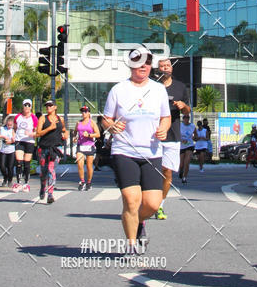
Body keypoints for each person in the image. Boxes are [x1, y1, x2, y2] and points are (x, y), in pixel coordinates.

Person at [102, 47, 171, 252]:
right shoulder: (118, 90)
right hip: (125, 151)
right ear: (131, 64)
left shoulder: (158, 90)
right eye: (139, 61)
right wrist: (111, 126)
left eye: (147, 62)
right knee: (131, 200)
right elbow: (106, 119)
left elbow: (165, 117)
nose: (143, 65)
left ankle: (138, 221)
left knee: (152, 204)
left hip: (151, 152)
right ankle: (131, 244)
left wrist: (164, 129)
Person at [155, 57, 190, 218]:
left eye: (167, 66)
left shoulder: (181, 87)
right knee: (151, 170)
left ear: (172, 69)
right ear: (158, 69)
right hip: (153, 136)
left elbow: (188, 111)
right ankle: (148, 201)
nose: (165, 68)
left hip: (173, 135)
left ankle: (160, 205)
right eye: (162, 66)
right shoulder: (152, 87)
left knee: (167, 171)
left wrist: (183, 107)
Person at [36, 100, 68, 204]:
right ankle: (42, 187)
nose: (48, 107)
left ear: (55, 107)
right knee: (44, 172)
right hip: (44, 148)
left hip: (55, 148)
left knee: (51, 169)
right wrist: (50, 128)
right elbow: (38, 133)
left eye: (50, 105)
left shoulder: (60, 119)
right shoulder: (42, 118)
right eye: (47, 106)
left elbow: (64, 129)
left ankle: (50, 194)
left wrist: (65, 134)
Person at [13, 98, 38, 192]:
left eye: (29, 105)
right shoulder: (18, 117)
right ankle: (18, 183)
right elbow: (14, 128)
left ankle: (26, 183)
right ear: (22, 106)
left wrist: (31, 134)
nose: (27, 107)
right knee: (19, 161)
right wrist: (14, 136)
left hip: (29, 141)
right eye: (25, 105)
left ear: (31, 107)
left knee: (26, 163)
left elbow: (37, 132)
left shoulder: (34, 118)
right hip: (19, 140)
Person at [74, 105, 100, 190]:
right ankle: (82, 181)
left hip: (89, 146)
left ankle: (89, 182)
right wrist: (75, 137)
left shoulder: (92, 123)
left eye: (85, 111)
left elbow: (98, 134)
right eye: (82, 111)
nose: (83, 113)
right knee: (80, 164)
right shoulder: (78, 123)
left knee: (89, 166)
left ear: (89, 113)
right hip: (80, 146)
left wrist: (89, 135)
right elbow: (75, 132)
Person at [0, 114, 16, 187]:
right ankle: (5, 177)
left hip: (11, 150)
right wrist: (3, 137)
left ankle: (10, 180)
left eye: (11, 125)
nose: (9, 126)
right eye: (8, 125)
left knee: (10, 167)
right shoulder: (2, 129)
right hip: (3, 150)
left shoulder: (13, 130)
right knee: (2, 166)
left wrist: (11, 141)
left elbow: (14, 139)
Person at [179, 113, 195, 184]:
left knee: (187, 162)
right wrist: (181, 140)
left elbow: (196, 135)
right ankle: (181, 170)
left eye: (188, 117)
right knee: (181, 164)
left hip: (189, 145)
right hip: (181, 146)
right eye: (185, 117)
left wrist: (194, 138)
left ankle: (184, 177)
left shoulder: (192, 126)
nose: (186, 119)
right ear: (183, 119)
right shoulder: (180, 125)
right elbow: (176, 134)